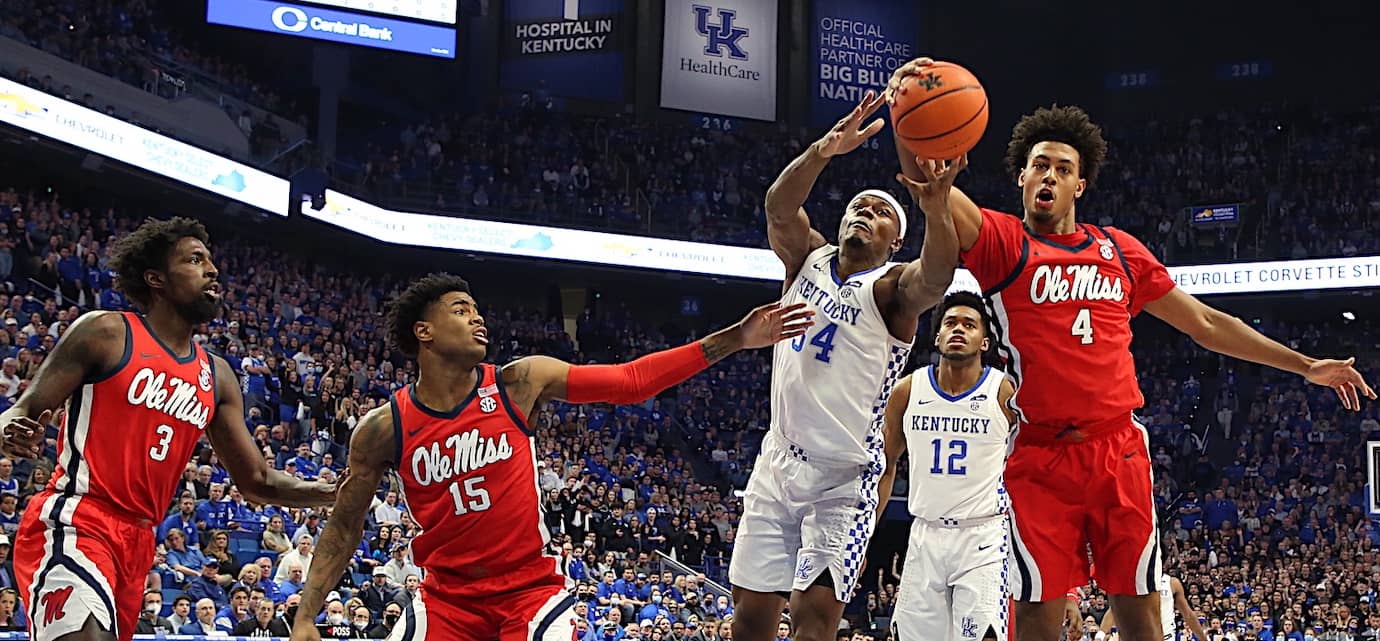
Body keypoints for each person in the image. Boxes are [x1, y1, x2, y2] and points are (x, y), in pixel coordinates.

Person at [885, 58, 1377, 641]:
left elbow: (1206, 323)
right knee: (1037, 617)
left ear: (1079, 184)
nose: (1048, 175)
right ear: (1021, 176)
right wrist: (905, 107)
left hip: (1117, 449)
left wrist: (1305, 365)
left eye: (1062, 168)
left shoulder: (1119, 250)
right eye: (1038, 164)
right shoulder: (1001, 242)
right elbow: (930, 181)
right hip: (1040, 459)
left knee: (1140, 612)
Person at [290, 273, 812, 641]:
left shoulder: (520, 382)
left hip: (529, 590)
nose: (478, 319)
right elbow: (343, 525)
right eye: (460, 310)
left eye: (476, 310)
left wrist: (736, 338)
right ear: (423, 332)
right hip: (446, 599)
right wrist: (307, 616)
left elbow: (630, 381)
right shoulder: (383, 428)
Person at [1, 217, 337, 641]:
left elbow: (257, 481)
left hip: (139, 543)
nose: (212, 270)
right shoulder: (106, 332)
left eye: (211, 261)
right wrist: (11, 433)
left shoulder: (217, 375)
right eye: (195, 260)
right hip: (77, 519)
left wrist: (332, 492)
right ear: (155, 278)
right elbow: (21, 411)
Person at [729, 89, 962, 641]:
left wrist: (935, 209)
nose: (866, 213)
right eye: (860, 205)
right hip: (778, 460)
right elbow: (777, 208)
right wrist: (823, 151)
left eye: (882, 213)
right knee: (751, 618)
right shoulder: (804, 258)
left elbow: (936, 276)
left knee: (814, 625)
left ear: (895, 241)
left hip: (844, 480)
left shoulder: (890, 290)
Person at [876, 291, 1016, 640]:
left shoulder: (1004, 392)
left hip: (983, 536)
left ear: (985, 342)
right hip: (925, 534)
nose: (958, 329)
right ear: (937, 336)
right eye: (950, 323)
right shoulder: (908, 390)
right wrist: (864, 536)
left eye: (969, 325)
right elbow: (884, 466)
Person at [1101, 573, 1208, 641]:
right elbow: (1114, 610)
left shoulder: (1171, 583)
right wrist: (1099, 636)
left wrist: (1203, 639)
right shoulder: (1132, 581)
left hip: (1165, 637)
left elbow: (1188, 614)